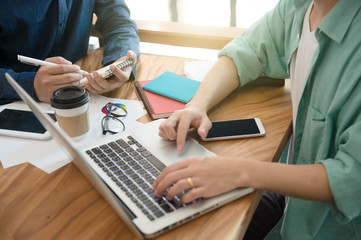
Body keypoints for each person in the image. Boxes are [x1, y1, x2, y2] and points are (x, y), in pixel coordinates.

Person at [153, 0, 361, 239]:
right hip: (288, 200)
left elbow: (352, 178)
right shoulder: (298, 7)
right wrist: (198, 105)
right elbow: (245, 52)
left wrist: (239, 171)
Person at [0, 0, 140, 105]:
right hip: (12, 101)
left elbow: (118, 22)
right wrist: (28, 85)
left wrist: (119, 59)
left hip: (80, 94)